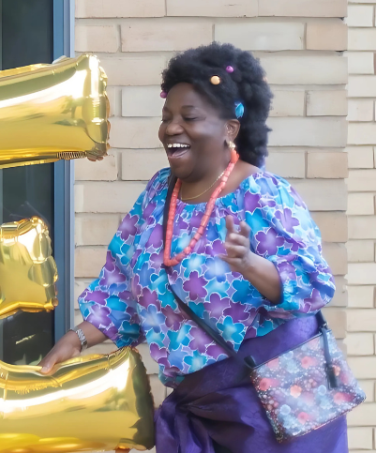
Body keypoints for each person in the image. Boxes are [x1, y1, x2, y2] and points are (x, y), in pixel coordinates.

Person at [38, 43, 344, 452]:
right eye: (167, 117)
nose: (171, 128)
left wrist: (251, 264)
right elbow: (122, 290)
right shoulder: (157, 195)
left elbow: (312, 284)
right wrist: (76, 338)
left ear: (229, 129)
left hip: (275, 414)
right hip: (200, 411)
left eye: (189, 117)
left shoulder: (263, 195)